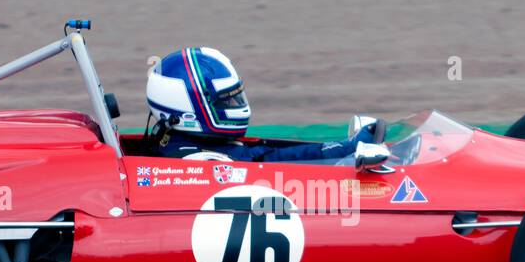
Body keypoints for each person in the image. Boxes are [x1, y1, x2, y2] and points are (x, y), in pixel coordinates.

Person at [144, 47, 378, 162]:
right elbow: (270, 159)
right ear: (187, 110)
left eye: (236, 96)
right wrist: (349, 148)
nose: (237, 105)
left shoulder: (171, 139)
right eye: (226, 100)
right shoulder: (201, 161)